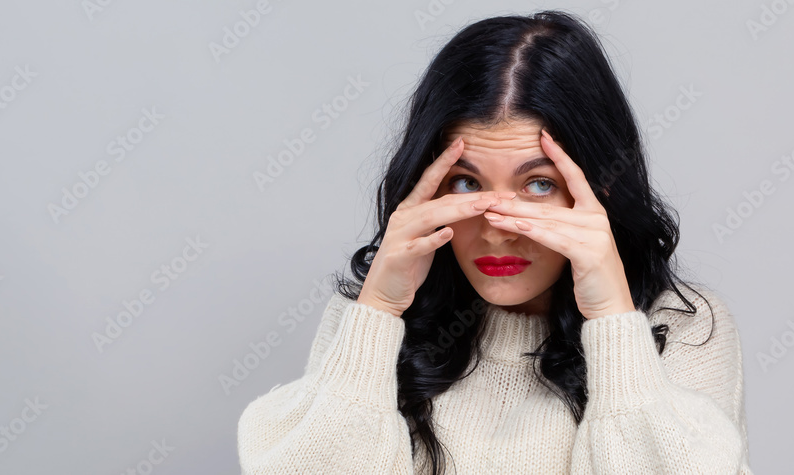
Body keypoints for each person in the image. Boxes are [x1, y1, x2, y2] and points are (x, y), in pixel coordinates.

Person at [237, 9, 752, 474]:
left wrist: (614, 324)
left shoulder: (683, 328)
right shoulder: (368, 323)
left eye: (539, 184)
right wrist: (379, 310)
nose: (497, 227)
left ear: (602, 187)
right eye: (466, 183)